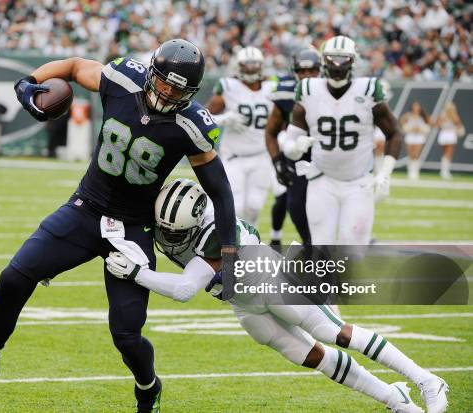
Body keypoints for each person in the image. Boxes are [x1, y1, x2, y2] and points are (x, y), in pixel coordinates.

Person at [0, 39, 237, 413]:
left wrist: (228, 255)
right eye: (163, 82)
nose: (167, 92)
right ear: (151, 73)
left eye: (178, 89)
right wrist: (29, 81)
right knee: (14, 276)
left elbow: (220, 193)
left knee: (126, 335)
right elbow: (76, 66)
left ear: (191, 92)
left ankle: (148, 387)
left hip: (132, 228)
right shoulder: (124, 78)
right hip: (84, 209)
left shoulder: (191, 124)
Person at [106, 178, 448, 413]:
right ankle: (395, 399)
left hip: (271, 279)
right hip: (241, 303)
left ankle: (428, 380)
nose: (166, 234)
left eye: (174, 230)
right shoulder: (169, 214)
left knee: (336, 333)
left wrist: (138, 273)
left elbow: (184, 290)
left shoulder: (213, 231)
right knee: (313, 358)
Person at [282, 36, 402, 245]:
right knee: (321, 245)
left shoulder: (368, 89)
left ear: (353, 61)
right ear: (324, 61)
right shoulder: (308, 89)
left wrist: (385, 173)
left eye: (343, 59)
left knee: (353, 251)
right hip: (321, 180)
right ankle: (323, 279)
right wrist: (295, 149)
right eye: (332, 59)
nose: (337, 65)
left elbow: (394, 132)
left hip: (358, 182)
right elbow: (290, 141)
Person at [206, 46, 286, 243]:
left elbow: (283, 120)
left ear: (261, 66)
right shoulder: (228, 86)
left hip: (261, 155)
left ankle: (250, 243)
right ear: (239, 67)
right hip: (235, 156)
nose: (250, 70)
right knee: (236, 206)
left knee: (254, 206)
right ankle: (232, 245)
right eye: (246, 66)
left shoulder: (272, 88)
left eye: (254, 66)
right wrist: (224, 118)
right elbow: (204, 117)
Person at [265, 48, 322, 246]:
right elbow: (270, 132)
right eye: (302, 71)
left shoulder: (331, 90)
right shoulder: (287, 92)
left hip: (326, 158)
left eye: (312, 71)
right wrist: (277, 163)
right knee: (295, 206)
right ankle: (310, 246)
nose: (307, 76)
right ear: (295, 72)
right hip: (297, 157)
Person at [400, 101, 430, 180]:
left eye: (417, 106)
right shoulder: (408, 115)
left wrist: (420, 129)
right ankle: (410, 171)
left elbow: (428, 124)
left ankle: (415, 172)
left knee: (416, 154)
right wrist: (410, 128)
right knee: (411, 155)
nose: (416, 108)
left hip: (419, 137)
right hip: (410, 136)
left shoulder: (422, 116)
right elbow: (401, 123)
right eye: (414, 106)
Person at [436, 102, 465, 180]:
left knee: (448, 153)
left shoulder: (454, 116)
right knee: (447, 153)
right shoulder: (443, 115)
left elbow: (459, 125)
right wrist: (443, 122)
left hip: (451, 134)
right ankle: (444, 171)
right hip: (445, 134)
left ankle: (445, 171)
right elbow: (438, 125)